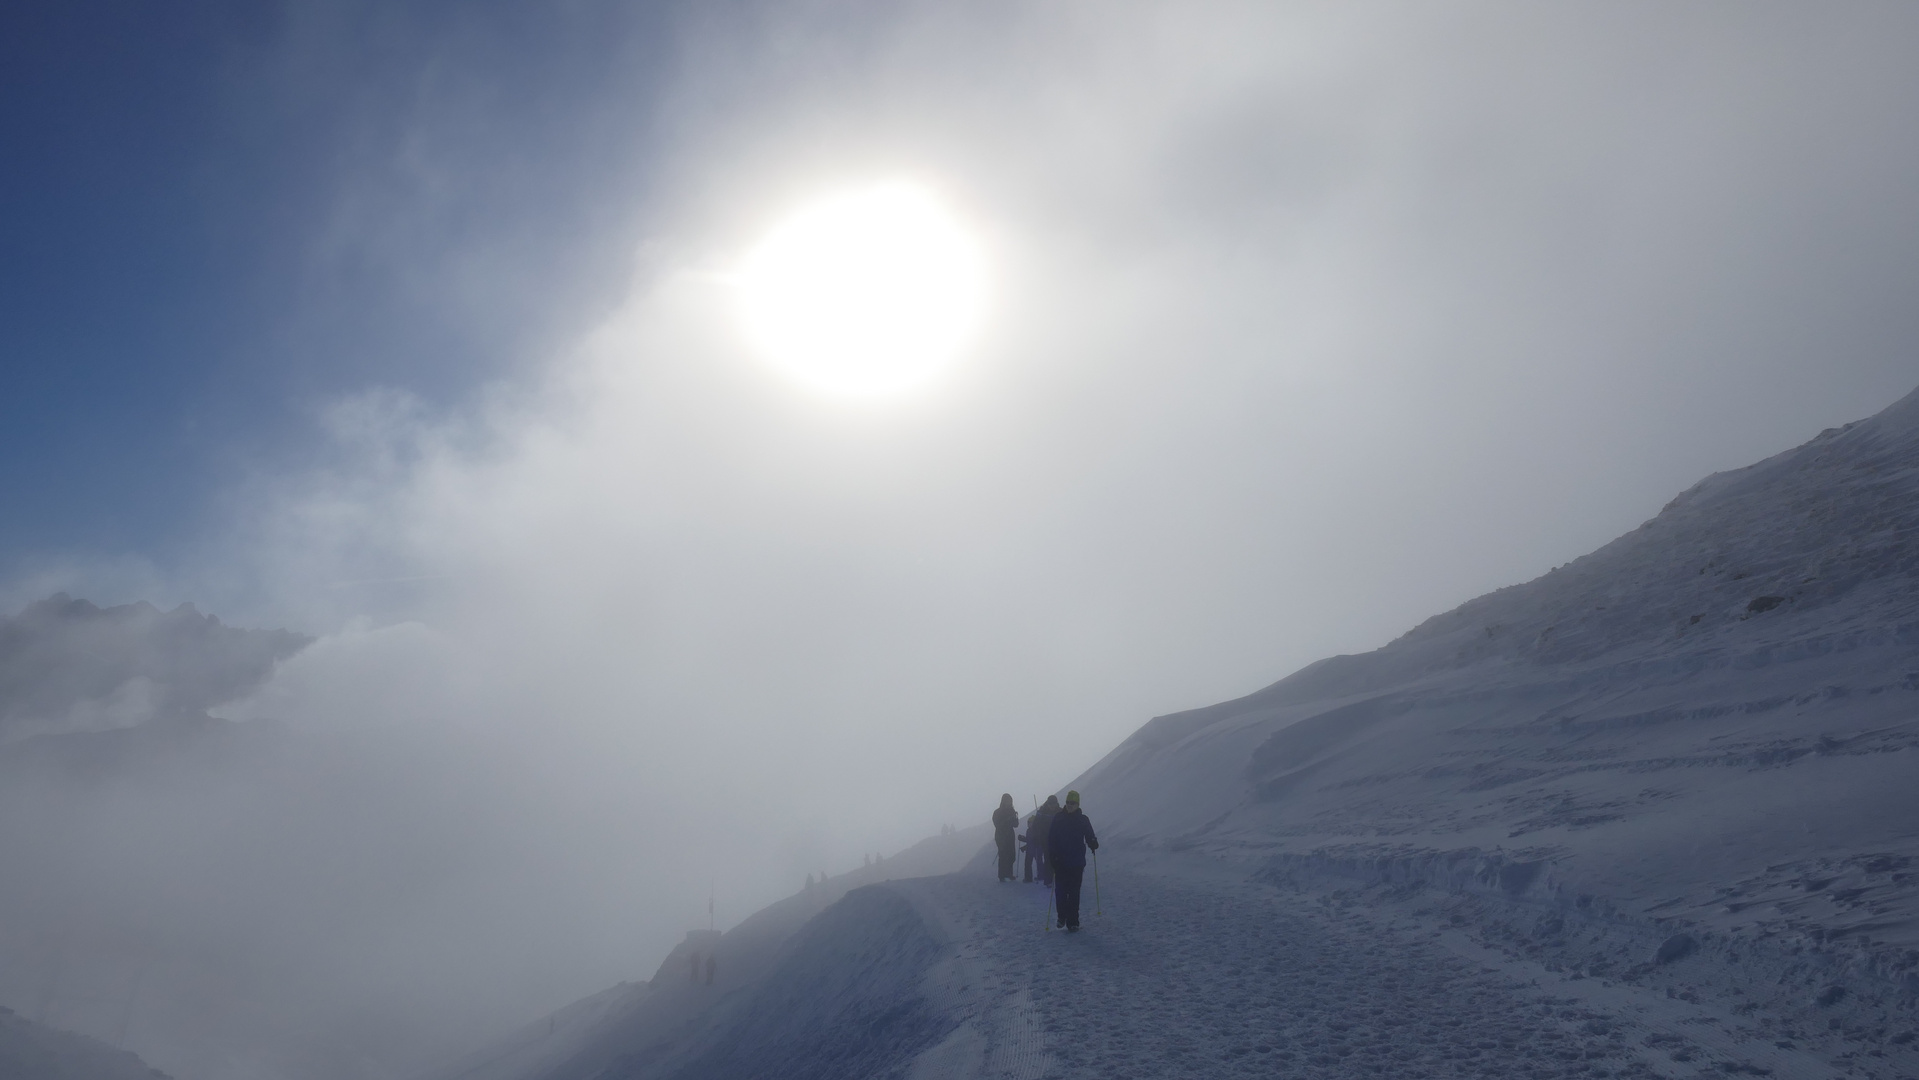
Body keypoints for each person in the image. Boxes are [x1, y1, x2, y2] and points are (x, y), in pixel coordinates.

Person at [1046, 790, 1098, 931]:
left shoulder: (1083, 820)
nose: (1069, 805)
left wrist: (1093, 842)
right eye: (1068, 802)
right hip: (1061, 861)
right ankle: (1062, 916)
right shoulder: (1058, 818)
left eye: (1072, 803)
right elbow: (1051, 839)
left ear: (1077, 804)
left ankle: (1073, 922)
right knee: (1061, 891)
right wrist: (1052, 856)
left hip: (1076, 862)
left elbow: (1089, 835)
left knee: (1074, 892)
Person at [1030, 795, 1060, 886]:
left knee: (1057, 859)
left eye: (1054, 804)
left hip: (1057, 840)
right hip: (1045, 839)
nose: (1052, 806)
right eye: (1050, 804)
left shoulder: (1061, 811)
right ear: (1047, 803)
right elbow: (1035, 825)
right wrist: (1035, 836)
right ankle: (1048, 880)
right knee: (1048, 859)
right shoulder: (1042, 812)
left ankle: (1058, 878)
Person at [992, 793, 1020, 881]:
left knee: (1011, 854)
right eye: (1007, 801)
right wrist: (1007, 821)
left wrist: (1015, 820)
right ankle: (1002, 875)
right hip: (1001, 835)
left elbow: (1016, 825)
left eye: (1010, 801)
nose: (1009, 803)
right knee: (1003, 854)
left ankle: (1009, 873)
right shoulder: (997, 812)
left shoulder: (1012, 811)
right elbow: (997, 824)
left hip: (1010, 835)